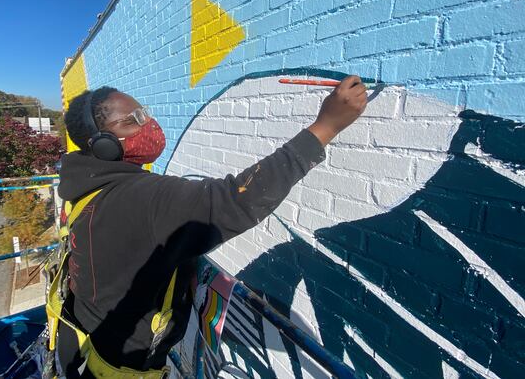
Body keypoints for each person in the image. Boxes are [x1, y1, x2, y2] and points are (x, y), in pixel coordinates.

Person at [56, 75, 368, 377]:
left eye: (144, 112)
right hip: (123, 367)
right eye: (132, 119)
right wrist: (326, 126)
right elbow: (235, 201)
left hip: (82, 347)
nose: (147, 123)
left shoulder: (86, 190)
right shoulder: (143, 197)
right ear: (104, 145)